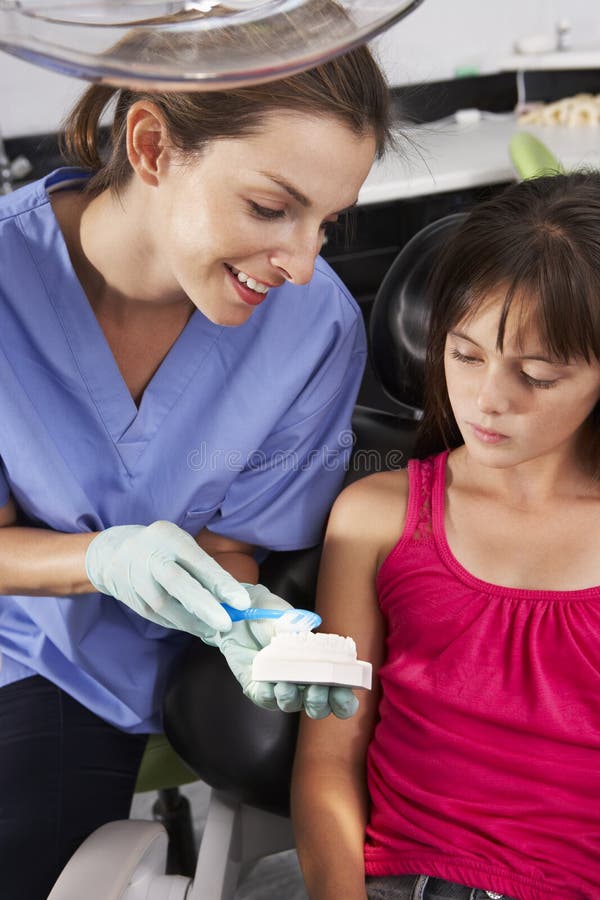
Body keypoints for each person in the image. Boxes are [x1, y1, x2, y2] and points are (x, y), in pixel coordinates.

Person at [0, 31, 395, 898]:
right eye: (269, 208)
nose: (301, 263)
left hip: (82, 677)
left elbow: (232, 539)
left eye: (328, 223)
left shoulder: (314, 328)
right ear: (151, 147)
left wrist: (234, 610)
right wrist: (103, 559)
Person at [291, 172, 600, 900]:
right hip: (406, 880)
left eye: (539, 375)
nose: (488, 400)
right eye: (465, 356)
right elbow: (328, 760)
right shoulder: (377, 516)